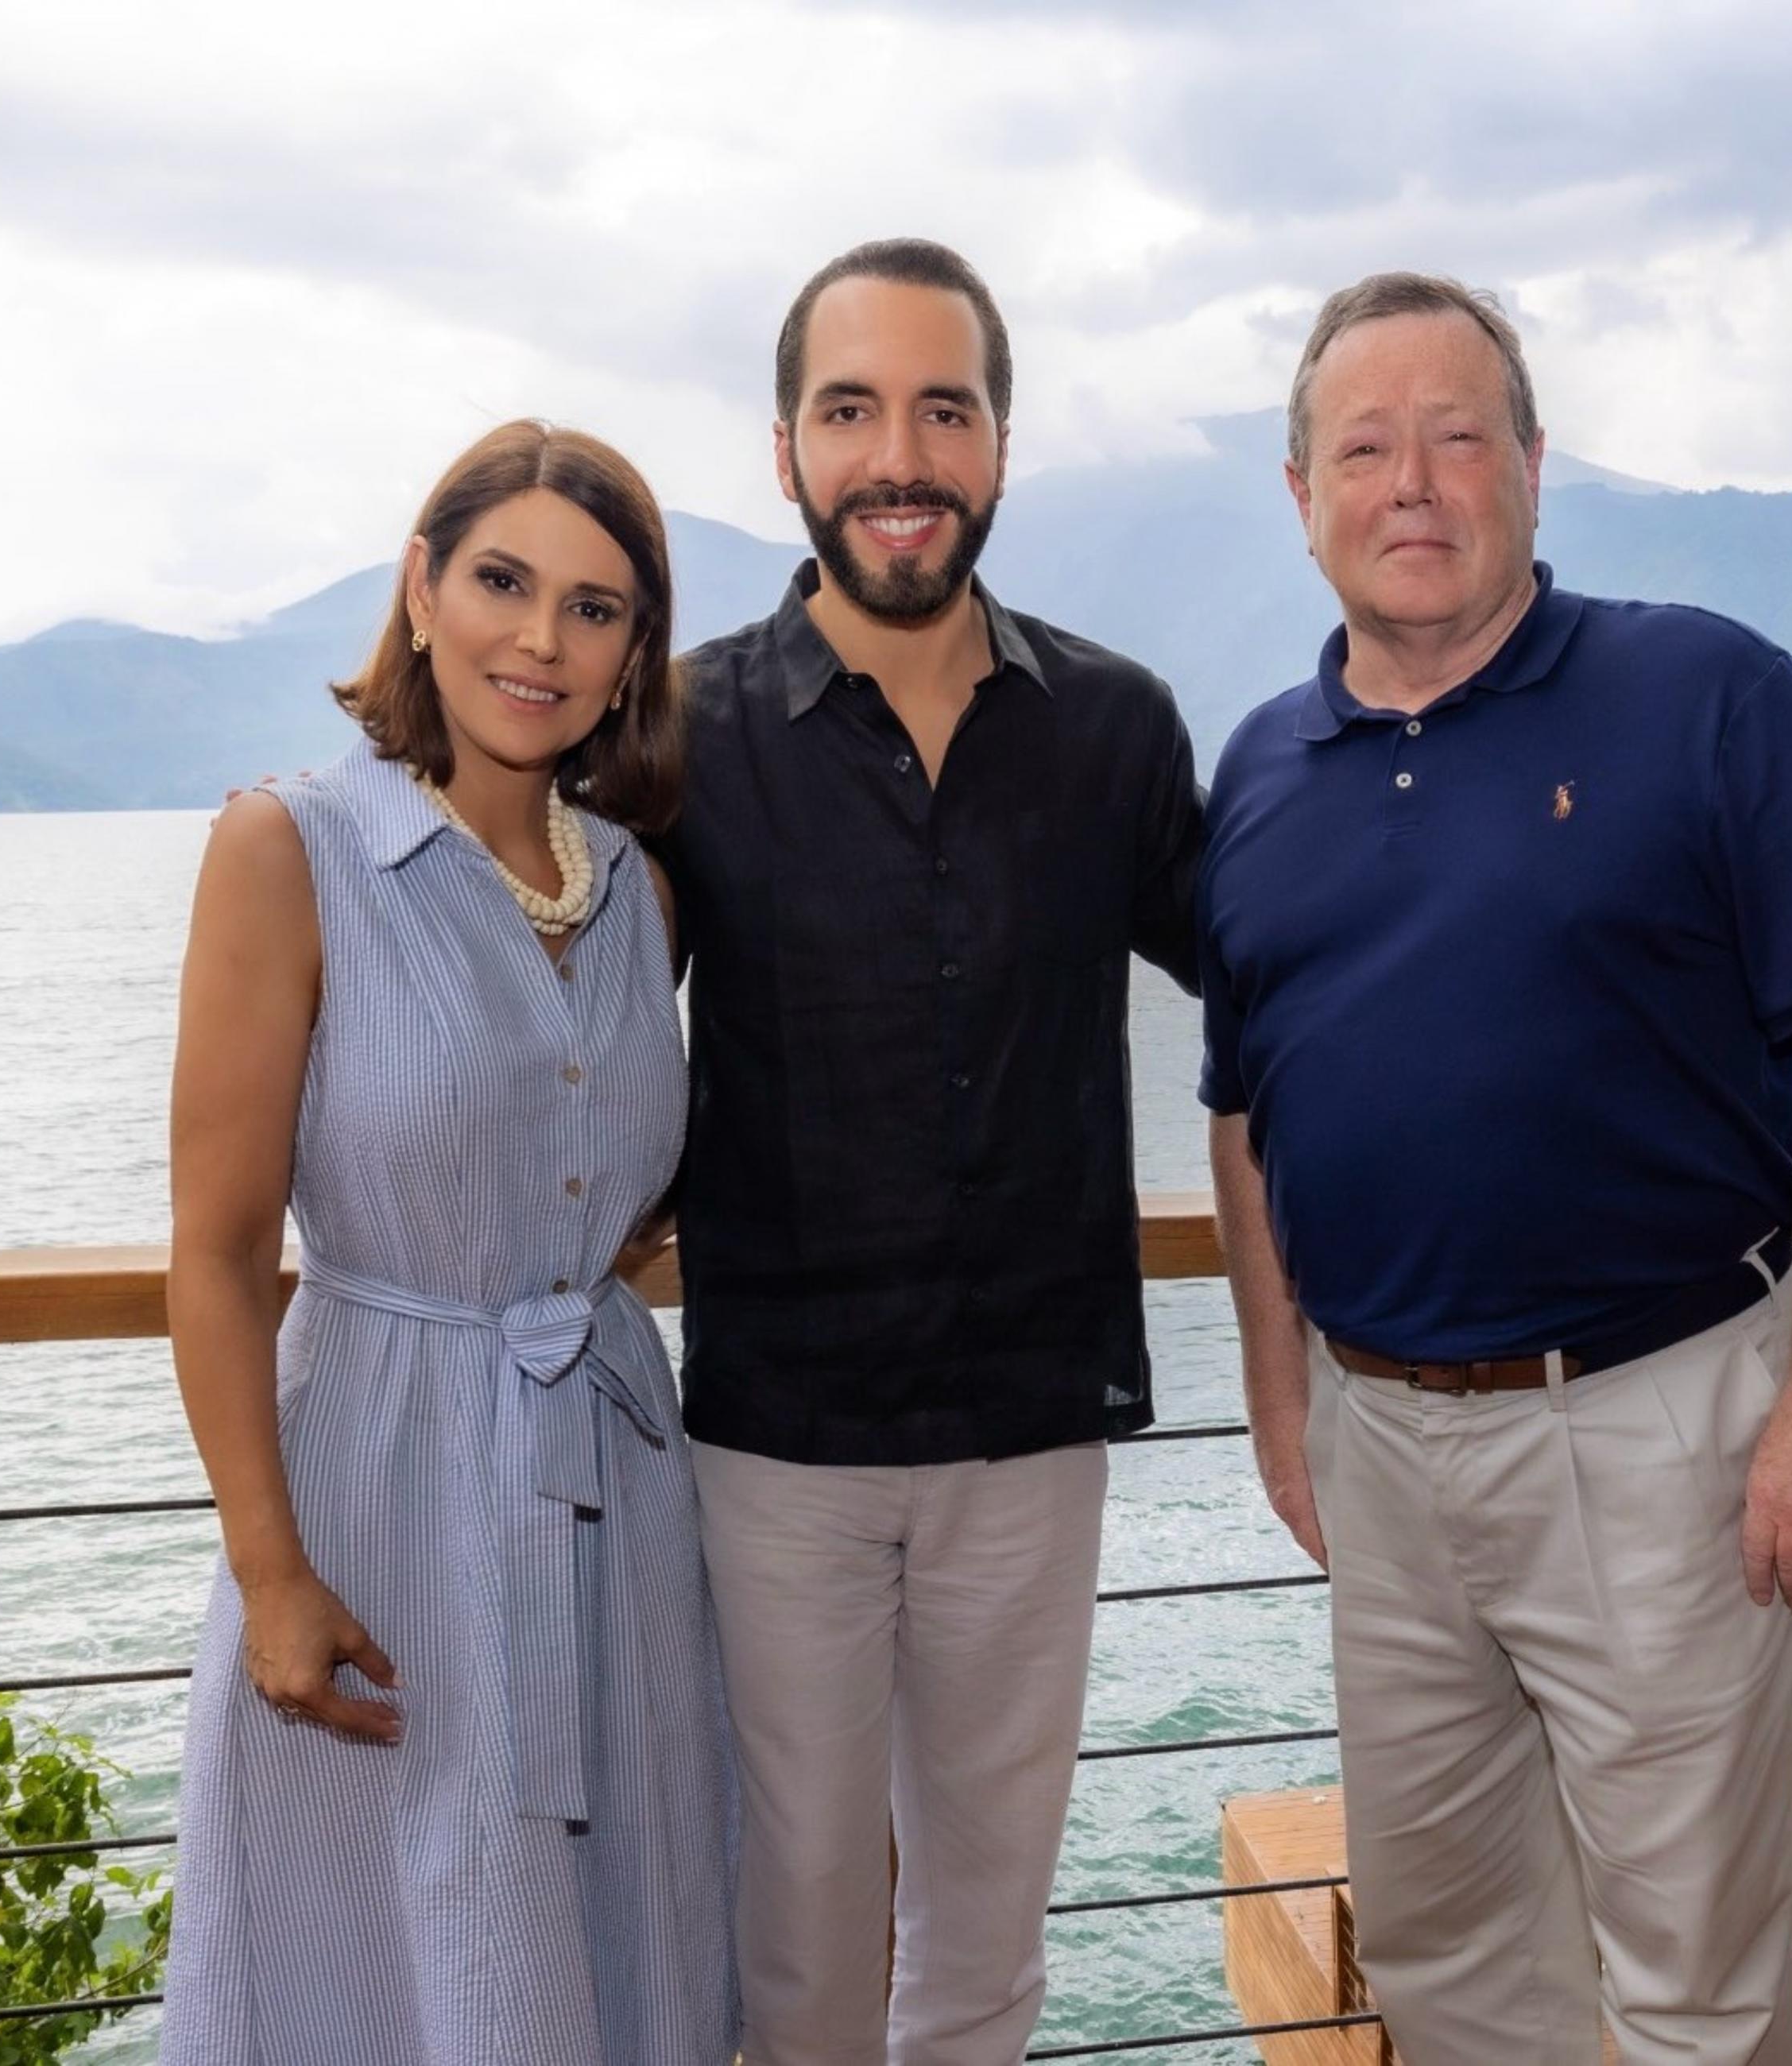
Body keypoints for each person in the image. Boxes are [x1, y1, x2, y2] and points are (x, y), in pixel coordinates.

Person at [1198, 273, 1792, 2066]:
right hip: (1384, 1448)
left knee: (1695, 1983)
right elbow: (1243, 1113)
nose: (1414, 482)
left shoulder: (1704, 692)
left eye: (1459, 436)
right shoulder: (1260, 770)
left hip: (1660, 1434)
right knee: (1454, 1956)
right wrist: (1280, 1398)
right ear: (1299, 496)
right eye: (1364, 447)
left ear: (1533, 466)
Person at [659, 238, 1205, 2065]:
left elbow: (1294, 985)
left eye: (943, 409)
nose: (901, 454)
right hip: (780, 1443)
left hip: (1030, 1433)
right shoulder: (675, 729)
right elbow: (552, 1030)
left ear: (999, 444)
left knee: (985, 1947)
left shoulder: (1116, 728)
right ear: (787, 448)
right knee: (796, 1948)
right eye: (854, 408)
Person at [161, 420, 737, 2064]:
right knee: (391, 1970)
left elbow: (606, 1199)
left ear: (634, 658)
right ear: (421, 590)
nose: (540, 639)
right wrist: (271, 1571)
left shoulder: (641, 892)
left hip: (617, 1514)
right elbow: (212, 1251)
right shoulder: (292, 850)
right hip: (381, 1505)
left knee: (623, 1954)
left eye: (597, 607)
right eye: (501, 580)